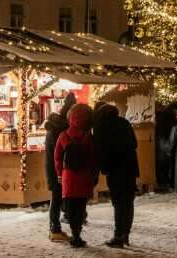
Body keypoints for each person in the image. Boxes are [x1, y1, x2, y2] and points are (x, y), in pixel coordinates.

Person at [93, 104, 139, 248]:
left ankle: (118, 236)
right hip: (131, 167)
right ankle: (126, 235)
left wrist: (104, 168)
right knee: (128, 201)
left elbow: (102, 149)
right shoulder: (124, 122)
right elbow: (135, 143)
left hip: (115, 168)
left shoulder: (100, 125)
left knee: (118, 203)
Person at [54, 104, 99, 248]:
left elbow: (57, 157)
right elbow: (93, 157)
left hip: (68, 176)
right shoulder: (87, 136)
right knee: (80, 206)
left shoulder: (63, 135)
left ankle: (74, 234)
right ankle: (78, 234)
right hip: (83, 175)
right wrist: (95, 173)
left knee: (71, 206)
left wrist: (60, 174)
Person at [44, 93, 75, 241]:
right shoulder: (58, 131)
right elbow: (61, 153)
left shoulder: (53, 128)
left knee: (56, 197)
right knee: (56, 198)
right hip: (56, 170)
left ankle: (54, 228)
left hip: (52, 168)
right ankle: (55, 229)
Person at [155, 102, 177, 190]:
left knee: (161, 164)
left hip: (160, 140)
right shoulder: (170, 118)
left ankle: (162, 183)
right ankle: (167, 183)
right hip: (166, 140)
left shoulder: (161, 116)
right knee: (166, 164)